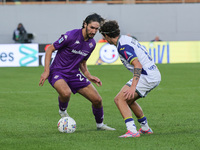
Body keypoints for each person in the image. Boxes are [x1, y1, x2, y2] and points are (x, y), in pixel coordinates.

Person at [39, 13, 115, 131]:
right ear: (85, 24)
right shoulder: (70, 36)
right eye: (92, 28)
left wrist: (89, 76)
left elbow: (82, 63)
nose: (94, 31)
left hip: (74, 74)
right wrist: (46, 71)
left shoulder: (92, 44)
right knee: (66, 93)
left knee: (97, 100)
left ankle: (100, 125)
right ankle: (62, 111)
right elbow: (50, 49)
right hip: (58, 71)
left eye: (96, 29)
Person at [100, 20, 161, 137]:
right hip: (152, 73)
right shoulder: (125, 39)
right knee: (128, 99)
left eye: (103, 36)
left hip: (147, 75)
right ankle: (145, 128)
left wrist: (133, 87)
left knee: (119, 99)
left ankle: (132, 131)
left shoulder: (122, 46)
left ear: (106, 35)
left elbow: (137, 64)